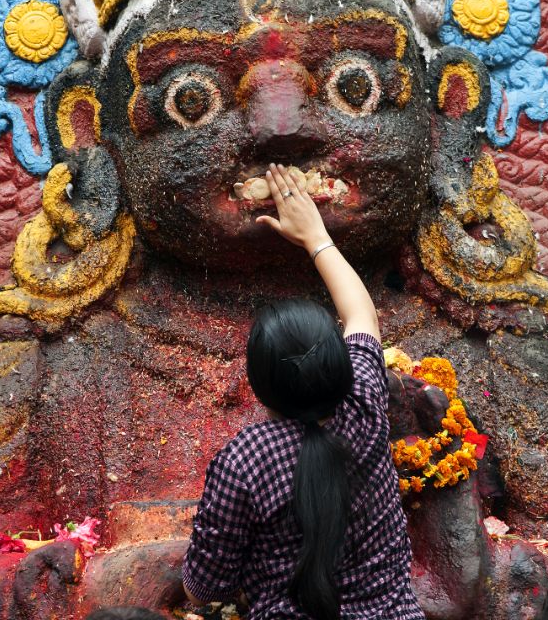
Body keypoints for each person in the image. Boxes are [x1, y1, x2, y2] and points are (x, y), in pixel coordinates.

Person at [182, 164, 425, 619]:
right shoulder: (365, 406)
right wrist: (316, 237)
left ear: (259, 387)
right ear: (339, 363)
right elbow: (361, 316)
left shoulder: (246, 460)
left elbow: (203, 587)